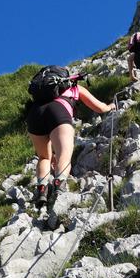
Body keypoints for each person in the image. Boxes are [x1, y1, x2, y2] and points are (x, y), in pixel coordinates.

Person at [26, 71, 114, 207]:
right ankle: (59, 185)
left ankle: (42, 189)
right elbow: (99, 108)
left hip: (34, 114)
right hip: (58, 111)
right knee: (64, 155)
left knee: (44, 157)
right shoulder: (74, 88)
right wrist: (110, 106)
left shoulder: (40, 95)